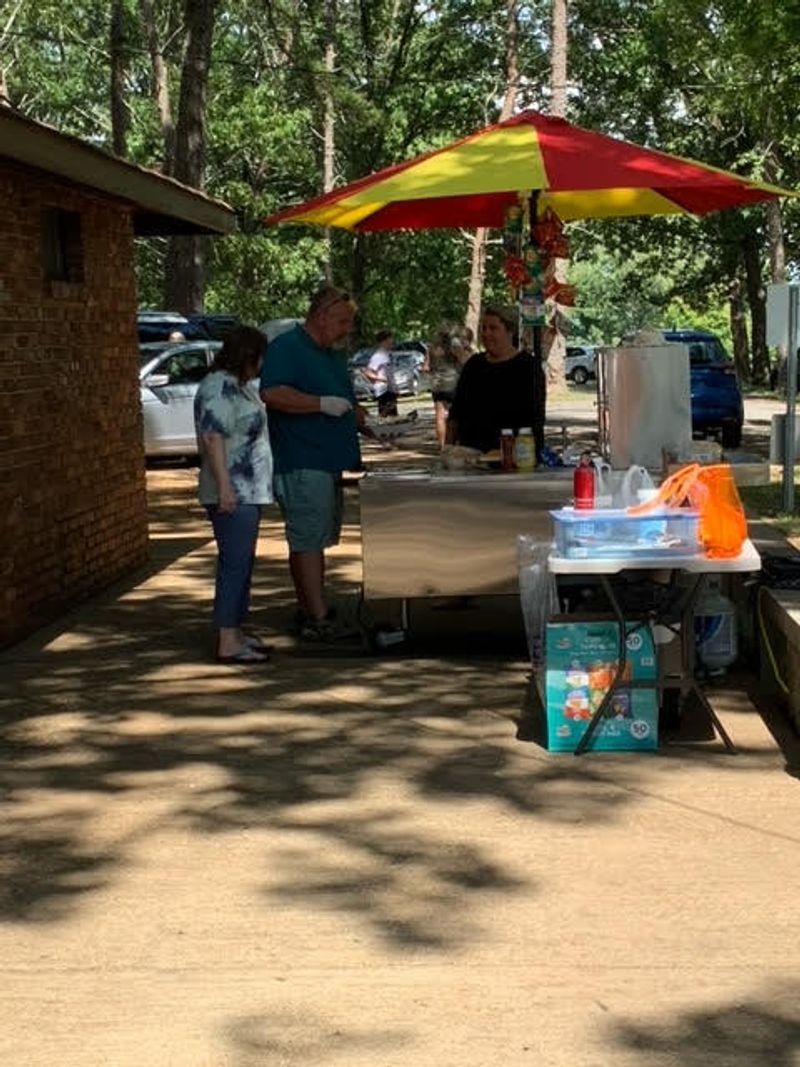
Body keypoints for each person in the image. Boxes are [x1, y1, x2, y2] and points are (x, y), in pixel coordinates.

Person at [259, 284, 367, 642]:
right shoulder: (287, 348)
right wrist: (320, 404)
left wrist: (360, 417)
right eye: (341, 321)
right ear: (320, 317)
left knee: (319, 536)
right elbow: (272, 393)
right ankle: (317, 617)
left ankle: (312, 605)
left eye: (349, 323)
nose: (346, 330)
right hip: (302, 460)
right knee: (307, 537)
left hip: (329, 460)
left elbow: (344, 400)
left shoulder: (331, 355)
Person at [194, 326, 274, 664]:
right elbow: (213, 437)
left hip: (249, 489)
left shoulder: (239, 387)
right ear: (248, 355)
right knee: (234, 564)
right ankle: (227, 639)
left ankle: (237, 630)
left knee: (242, 563)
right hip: (233, 491)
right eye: (260, 356)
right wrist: (225, 486)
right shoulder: (218, 386)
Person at [447, 305, 546, 458]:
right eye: (484, 328)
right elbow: (455, 414)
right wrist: (448, 450)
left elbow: (536, 418)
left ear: (509, 331)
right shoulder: (474, 365)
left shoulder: (528, 367)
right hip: (471, 456)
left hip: (515, 456)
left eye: (493, 328)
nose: (486, 333)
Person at [428, 323, 470, 448]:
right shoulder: (454, 344)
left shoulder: (433, 347)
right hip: (452, 382)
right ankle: (456, 443)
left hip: (436, 384)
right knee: (456, 415)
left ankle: (442, 446)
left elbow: (430, 366)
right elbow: (463, 360)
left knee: (439, 415)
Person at [363, 330, 398, 418]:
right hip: (383, 390)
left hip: (391, 389)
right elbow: (368, 372)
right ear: (384, 341)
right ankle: (384, 431)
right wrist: (381, 379)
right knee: (385, 415)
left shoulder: (387, 354)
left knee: (393, 415)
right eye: (390, 339)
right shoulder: (378, 356)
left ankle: (393, 431)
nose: (392, 341)